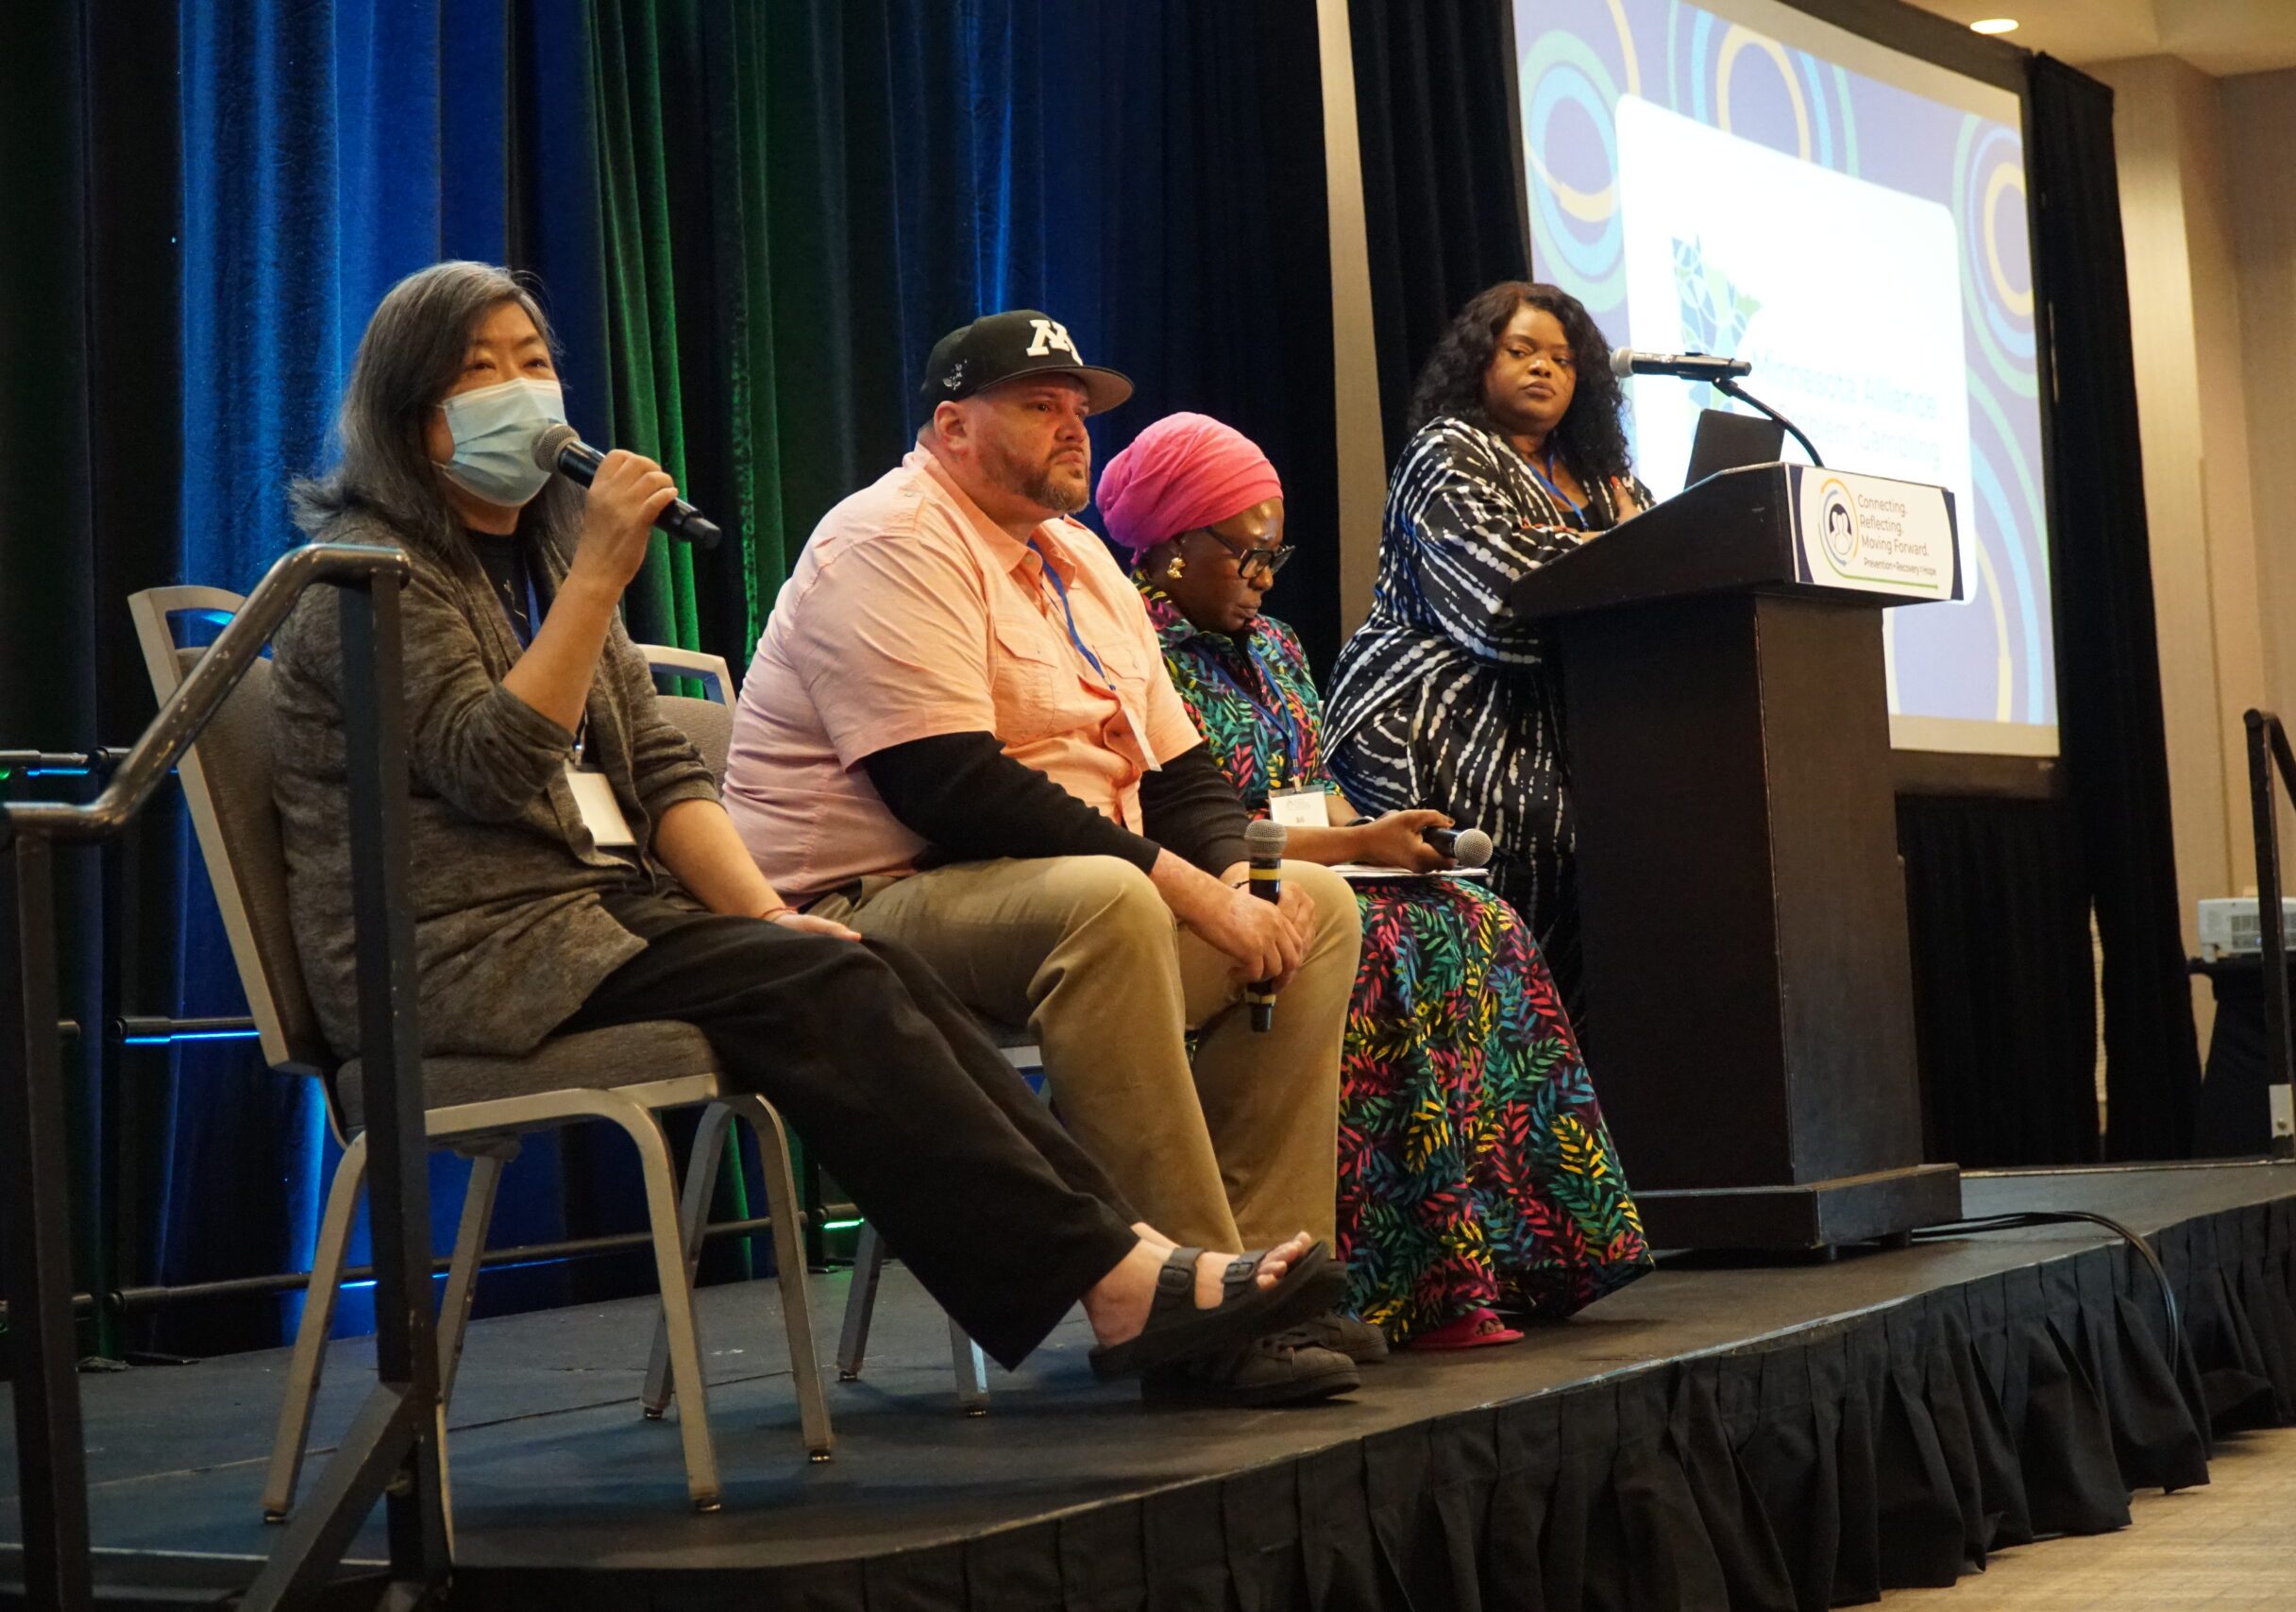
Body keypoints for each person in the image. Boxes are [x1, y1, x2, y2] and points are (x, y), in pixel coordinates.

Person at [270, 262, 1353, 1407]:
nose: (519, 391)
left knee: (845, 962)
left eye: (533, 364)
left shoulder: (538, 561)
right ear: (408, 415)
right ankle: (1123, 1283)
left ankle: (1152, 1275)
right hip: (459, 952)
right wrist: (598, 579)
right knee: (837, 980)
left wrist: (769, 917)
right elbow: (490, 773)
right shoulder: (366, 578)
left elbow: (664, 772)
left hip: (592, 919)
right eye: (477, 371)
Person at [722, 310, 1376, 1391]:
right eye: (1040, 406)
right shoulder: (887, 539)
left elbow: (1177, 777)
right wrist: (1179, 887)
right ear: (950, 427)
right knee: (1105, 902)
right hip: (859, 911)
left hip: (1035, 894)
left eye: (1079, 411)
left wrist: (1230, 881)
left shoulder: (1080, 561)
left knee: (1310, 898)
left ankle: (1274, 1283)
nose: (1075, 429)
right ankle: (1186, 1308)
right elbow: (952, 791)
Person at [1094, 413, 1653, 1348]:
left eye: (1278, 555)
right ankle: (1401, 1283)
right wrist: (1355, 851)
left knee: (1479, 919)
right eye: (1246, 554)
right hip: (1201, 897)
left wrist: (1380, 833)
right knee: (1386, 943)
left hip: (1307, 869)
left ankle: (1520, 1255)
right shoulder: (1129, 650)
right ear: (1174, 547)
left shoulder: (1275, 647)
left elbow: (1309, 795)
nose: (1266, 578)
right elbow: (1185, 830)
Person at [1324, 282, 1653, 1026]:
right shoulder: (1446, 451)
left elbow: (1662, 571)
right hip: (1436, 715)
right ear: (1479, 361)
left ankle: (1559, 1101)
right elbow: (1499, 593)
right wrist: (1622, 548)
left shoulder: (1606, 478)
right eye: (1522, 351)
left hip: (1567, 728)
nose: (1544, 368)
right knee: (1537, 845)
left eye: (1564, 359)